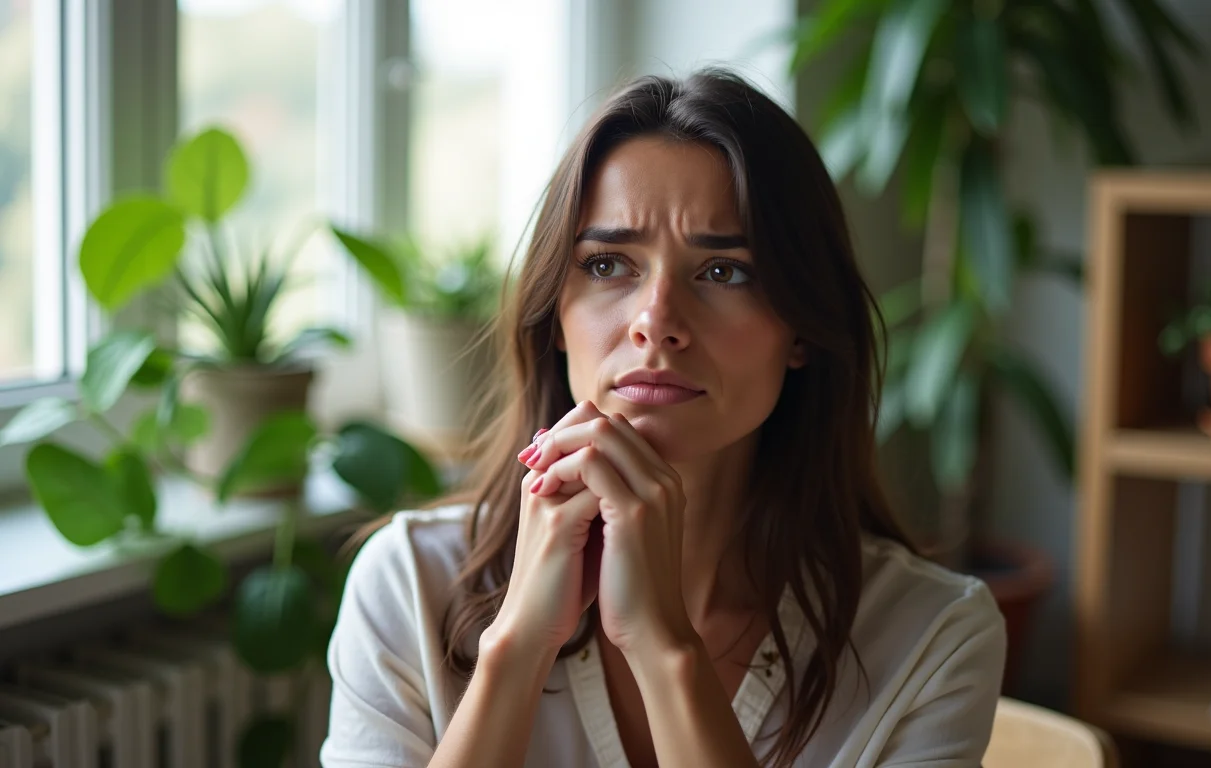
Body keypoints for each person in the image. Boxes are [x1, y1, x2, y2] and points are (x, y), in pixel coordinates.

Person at [319, 68, 1006, 768]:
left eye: (723, 272)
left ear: (801, 327)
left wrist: (664, 649)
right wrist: (518, 643)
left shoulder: (932, 634)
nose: (656, 323)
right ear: (556, 316)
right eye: (609, 264)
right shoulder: (406, 584)